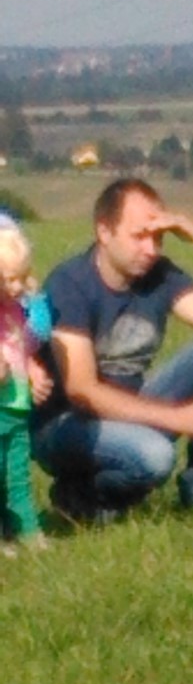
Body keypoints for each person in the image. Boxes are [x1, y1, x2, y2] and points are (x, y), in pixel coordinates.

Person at [32, 178, 193, 521]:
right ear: (104, 231)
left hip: (131, 407)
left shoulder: (159, 276)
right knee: (155, 457)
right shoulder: (70, 283)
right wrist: (176, 418)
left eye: (158, 237)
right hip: (65, 424)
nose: (151, 249)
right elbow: (81, 390)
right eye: (139, 236)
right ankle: (82, 498)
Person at [0, 219, 52, 552]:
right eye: (7, 280)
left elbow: (25, 347)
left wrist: (34, 369)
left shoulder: (17, 313)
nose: (16, 287)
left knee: (17, 473)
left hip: (16, 407)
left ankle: (28, 530)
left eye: (20, 277)